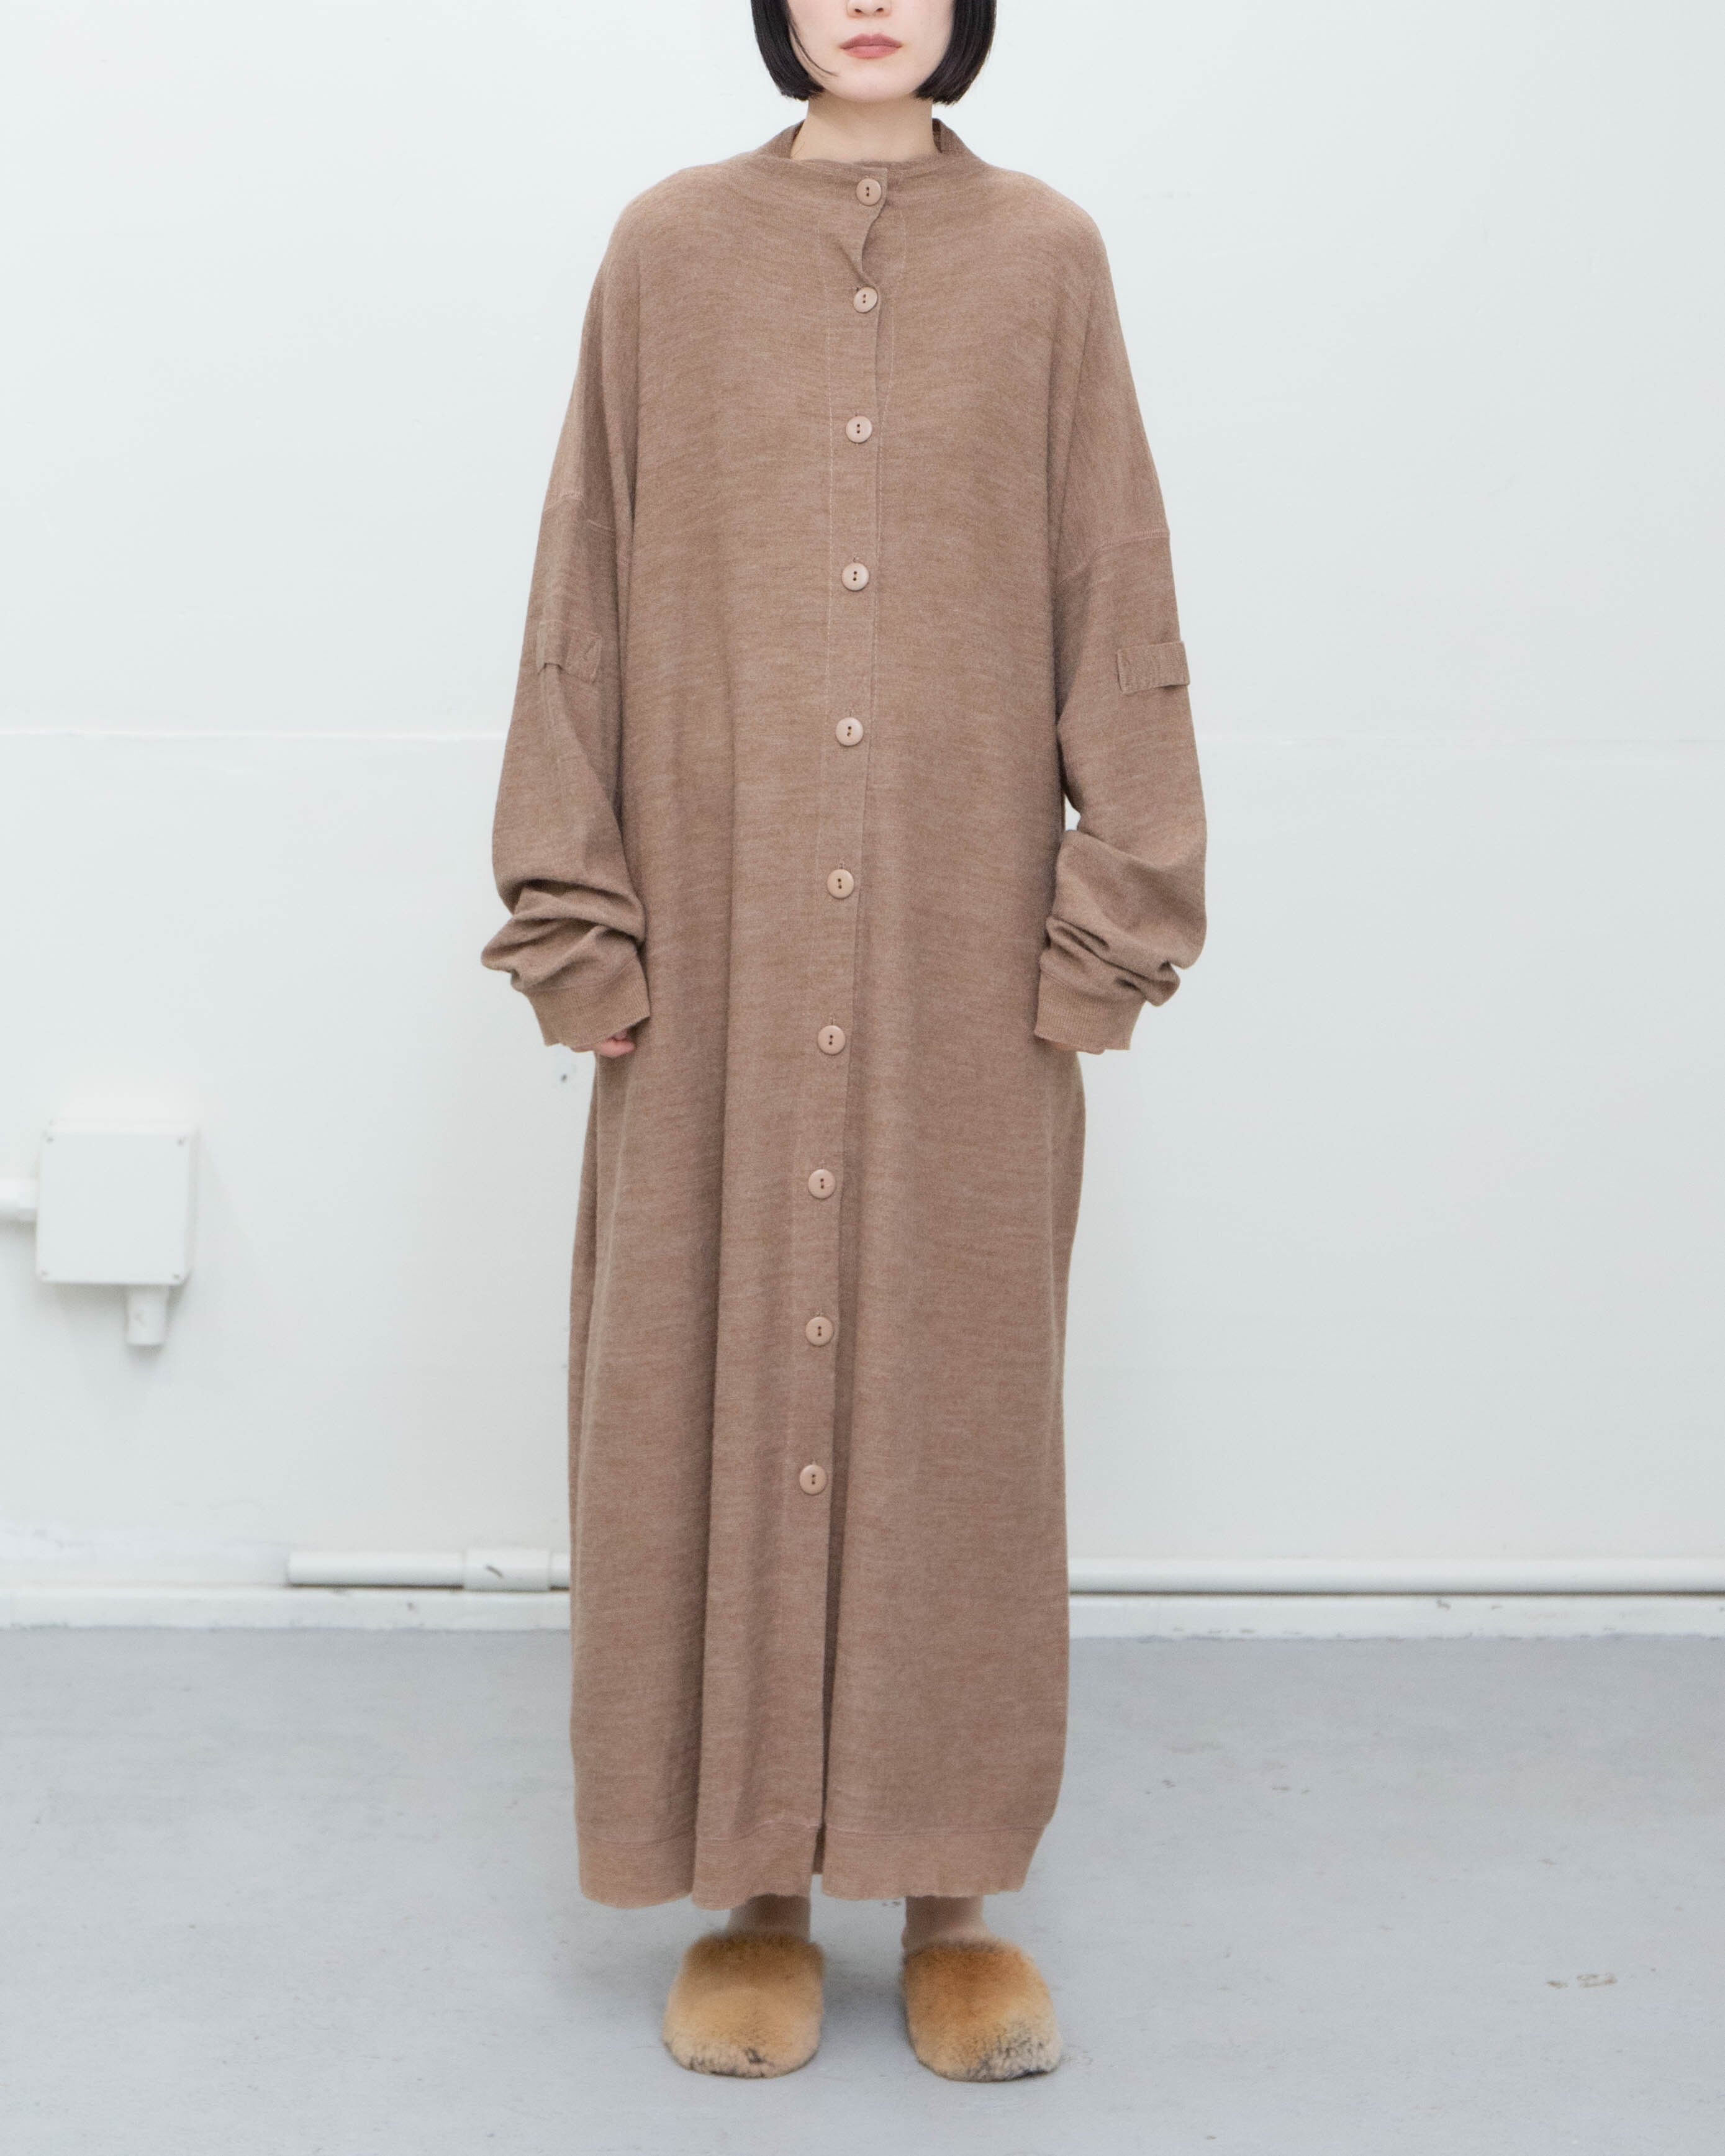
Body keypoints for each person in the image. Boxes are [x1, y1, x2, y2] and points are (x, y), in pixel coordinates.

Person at [480, 0, 1205, 2083]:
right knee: (692, 1401)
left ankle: (954, 1894)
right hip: (707, 952)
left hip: (962, 963)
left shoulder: (1047, 257)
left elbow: (1116, 590)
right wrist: (577, 919)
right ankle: (754, 1897)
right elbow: (582, 583)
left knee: (954, 1414)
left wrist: (1110, 920)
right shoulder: (667, 250)